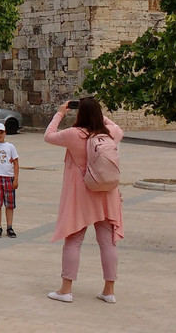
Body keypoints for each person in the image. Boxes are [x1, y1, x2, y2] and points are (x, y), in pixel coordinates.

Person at [44, 96, 123, 305]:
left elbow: (48, 135)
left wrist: (61, 112)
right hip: (106, 193)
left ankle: (66, 289)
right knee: (107, 243)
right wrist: (99, 115)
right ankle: (109, 290)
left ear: (79, 113)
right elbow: (116, 126)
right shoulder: (110, 133)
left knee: (73, 241)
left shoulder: (73, 134)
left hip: (81, 195)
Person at [0, 122, 19, 238]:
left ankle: (9, 226)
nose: (0, 135)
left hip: (8, 177)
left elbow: (16, 163)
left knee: (9, 204)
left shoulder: (10, 147)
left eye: (1, 132)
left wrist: (16, 179)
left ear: (5, 133)